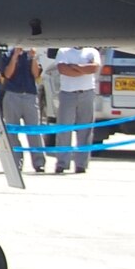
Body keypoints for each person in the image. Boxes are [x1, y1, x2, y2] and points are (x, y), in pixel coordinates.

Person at [53, 46, 101, 174]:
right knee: (64, 129)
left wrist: (75, 67)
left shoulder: (92, 51)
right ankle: (62, 163)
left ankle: (81, 164)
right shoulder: (63, 51)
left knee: (85, 130)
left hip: (87, 92)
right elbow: (63, 69)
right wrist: (83, 69)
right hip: (68, 93)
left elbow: (94, 68)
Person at [0, 44, 44, 174]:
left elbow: (36, 74)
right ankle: (16, 162)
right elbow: (7, 74)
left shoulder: (32, 54)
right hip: (12, 94)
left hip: (29, 95)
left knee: (34, 131)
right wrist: (15, 57)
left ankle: (39, 162)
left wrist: (33, 58)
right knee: (12, 132)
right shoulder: (7, 54)